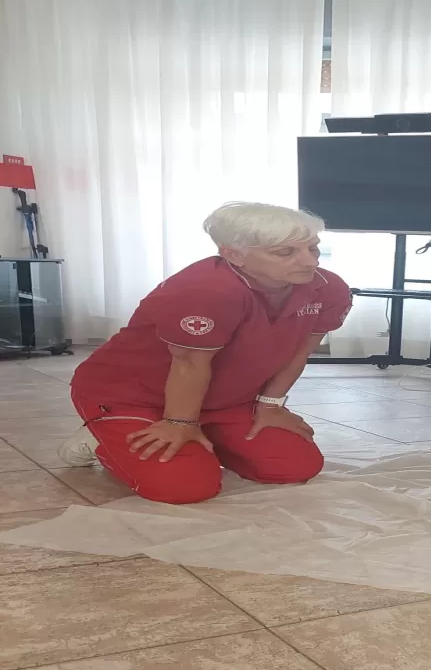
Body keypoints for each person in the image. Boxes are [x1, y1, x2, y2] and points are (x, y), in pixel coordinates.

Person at [60, 202, 353, 505]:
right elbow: (188, 364)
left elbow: (299, 351)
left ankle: (205, 438)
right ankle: (101, 437)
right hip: (134, 394)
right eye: (285, 252)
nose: (309, 261)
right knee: (184, 487)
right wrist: (180, 423)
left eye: (313, 248)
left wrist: (271, 405)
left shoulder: (328, 289)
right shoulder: (204, 291)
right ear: (233, 254)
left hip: (225, 398)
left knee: (294, 466)